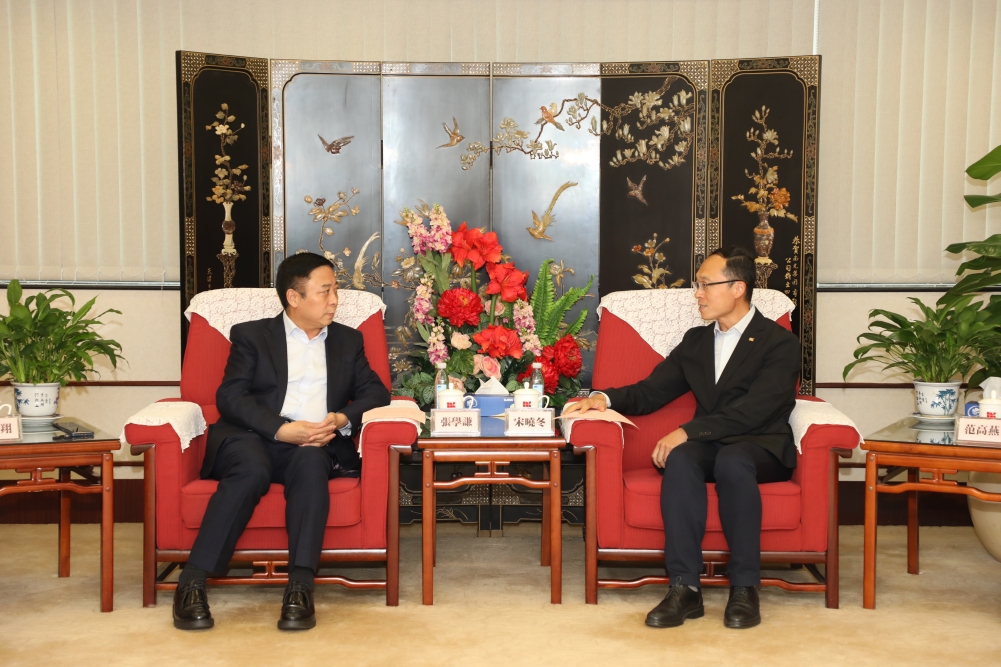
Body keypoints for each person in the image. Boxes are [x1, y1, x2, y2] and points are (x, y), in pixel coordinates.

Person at [562, 246, 799, 630]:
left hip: (762, 445)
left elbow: (756, 410)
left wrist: (688, 430)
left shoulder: (779, 342)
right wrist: (603, 398)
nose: (697, 294)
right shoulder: (697, 341)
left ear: (738, 287)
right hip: (712, 445)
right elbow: (652, 390)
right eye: (697, 285)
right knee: (682, 458)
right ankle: (684, 587)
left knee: (732, 460)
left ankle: (744, 587)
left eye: (706, 285)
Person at [172, 253, 391, 631]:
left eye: (335, 290)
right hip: (251, 436)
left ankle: (300, 587)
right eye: (325, 291)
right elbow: (230, 397)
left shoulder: (347, 340)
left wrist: (341, 419)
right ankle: (192, 580)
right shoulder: (252, 335)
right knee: (251, 470)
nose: (334, 300)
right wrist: (278, 428)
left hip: (313, 442)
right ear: (294, 297)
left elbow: (377, 392)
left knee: (310, 464)